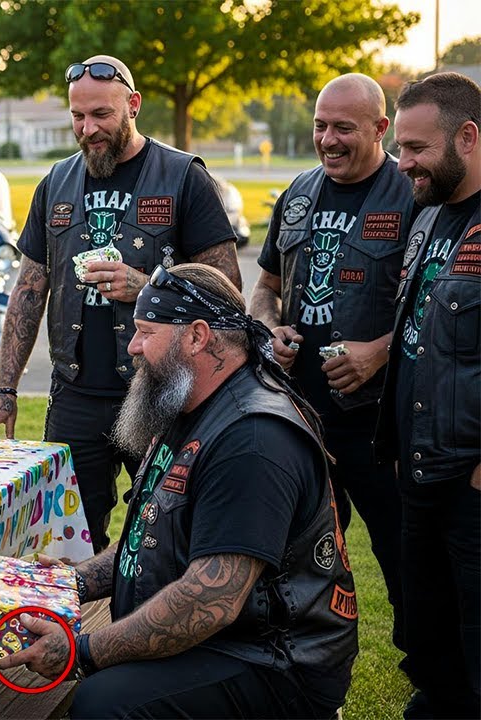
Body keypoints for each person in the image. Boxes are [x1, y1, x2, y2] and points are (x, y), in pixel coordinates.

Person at [0, 263, 358, 718]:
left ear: (197, 336)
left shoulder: (251, 440)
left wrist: (81, 651)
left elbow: (212, 597)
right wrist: (72, 583)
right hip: (230, 638)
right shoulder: (189, 403)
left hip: (275, 661)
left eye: (146, 332)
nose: (132, 347)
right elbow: (152, 534)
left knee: (103, 703)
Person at [0, 55, 242, 552]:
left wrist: (150, 285)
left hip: (160, 392)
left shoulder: (183, 178)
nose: (87, 129)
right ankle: (70, 632)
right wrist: (5, 389)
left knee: (165, 536)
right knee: (64, 542)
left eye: (101, 115)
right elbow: (29, 290)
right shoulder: (55, 183)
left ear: (133, 105)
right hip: (74, 395)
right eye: (77, 116)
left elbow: (228, 292)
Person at [248, 72, 412, 652]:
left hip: (381, 424)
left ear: (380, 129)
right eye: (321, 126)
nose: (329, 140)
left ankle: (430, 667)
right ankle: (314, 662)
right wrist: (268, 328)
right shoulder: (296, 194)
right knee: (305, 559)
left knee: (405, 555)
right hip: (300, 420)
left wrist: (378, 352)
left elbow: (438, 311)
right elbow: (264, 286)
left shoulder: (413, 195)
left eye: (345, 127)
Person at [376, 71, 480, 719]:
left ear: (467, 137)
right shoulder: (429, 213)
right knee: (429, 640)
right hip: (417, 472)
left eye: (416, 148)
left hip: (470, 486)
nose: (402, 162)